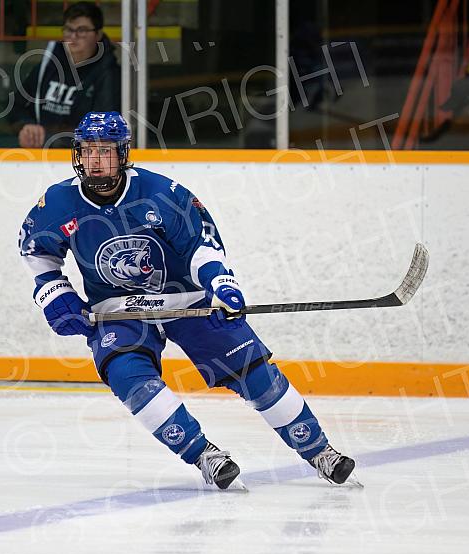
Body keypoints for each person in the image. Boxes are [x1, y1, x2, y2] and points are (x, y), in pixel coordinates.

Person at [18, 111, 357, 490]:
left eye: (105, 151)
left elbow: (200, 244)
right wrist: (55, 294)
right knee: (129, 378)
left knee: (253, 371)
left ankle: (320, 451)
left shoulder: (162, 193)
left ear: (123, 153)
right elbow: (38, 251)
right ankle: (205, 455)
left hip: (187, 300)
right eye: (87, 151)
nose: (95, 160)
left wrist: (220, 281)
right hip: (119, 312)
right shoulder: (59, 203)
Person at [10, 2, 121, 149]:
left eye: (81, 30)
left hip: (82, 158)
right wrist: (26, 126)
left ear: (98, 34)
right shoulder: (51, 62)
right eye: (69, 29)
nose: (73, 36)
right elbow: (17, 106)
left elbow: (102, 129)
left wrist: (46, 134)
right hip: (37, 154)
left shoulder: (108, 73)